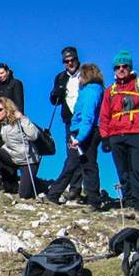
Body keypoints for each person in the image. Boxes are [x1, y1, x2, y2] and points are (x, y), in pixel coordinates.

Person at [99, 51, 139, 212]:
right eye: (117, 67)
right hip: (116, 135)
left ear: (130, 67)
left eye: (124, 66)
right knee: (123, 171)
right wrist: (105, 138)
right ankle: (128, 201)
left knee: (138, 169)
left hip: (137, 132)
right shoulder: (110, 91)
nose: (121, 69)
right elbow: (104, 115)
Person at [46, 63, 104, 209]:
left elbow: (88, 116)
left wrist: (79, 137)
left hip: (86, 133)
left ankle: (55, 194)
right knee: (83, 164)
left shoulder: (92, 92)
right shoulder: (89, 90)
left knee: (83, 164)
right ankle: (92, 200)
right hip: (82, 131)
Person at [0, 97, 43, 199]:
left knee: (24, 195)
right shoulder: (3, 123)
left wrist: (22, 118)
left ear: (7, 109)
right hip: (12, 157)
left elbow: (34, 135)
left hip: (28, 160)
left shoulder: (20, 120)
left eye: (0, 110)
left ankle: (37, 183)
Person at [49, 46, 83, 199]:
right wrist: (56, 93)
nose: (70, 63)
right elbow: (54, 101)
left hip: (86, 119)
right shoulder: (60, 77)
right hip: (70, 120)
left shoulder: (86, 73)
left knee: (83, 155)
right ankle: (74, 189)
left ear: (77, 59)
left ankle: (72, 189)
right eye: (66, 61)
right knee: (73, 153)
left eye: (72, 60)